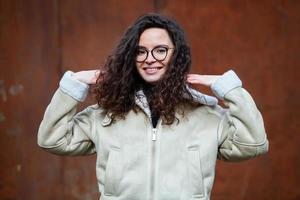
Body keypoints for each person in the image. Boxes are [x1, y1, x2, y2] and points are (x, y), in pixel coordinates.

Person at [38, 13, 269, 200]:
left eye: (160, 50)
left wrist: (230, 90)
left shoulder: (207, 115)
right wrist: (73, 85)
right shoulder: (106, 114)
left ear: (176, 54)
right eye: (140, 51)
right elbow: (52, 139)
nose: (150, 58)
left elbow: (252, 144)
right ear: (131, 56)